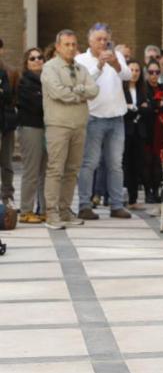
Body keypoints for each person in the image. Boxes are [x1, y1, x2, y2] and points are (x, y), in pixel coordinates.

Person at [41, 29, 99, 230]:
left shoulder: (82, 69)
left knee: (72, 170)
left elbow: (94, 90)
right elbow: (58, 93)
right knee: (55, 169)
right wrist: (80, 92)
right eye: (67, 44)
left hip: (79, 125)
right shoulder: (50, 68)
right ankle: (51, 213)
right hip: (58, 125)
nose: (71, 48)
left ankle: (65, 210)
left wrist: (79, 91)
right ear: (58, 47)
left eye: (74, 44)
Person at [75, 22, 133, 220]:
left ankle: (116, 205)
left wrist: (116, 63)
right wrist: (100, 65)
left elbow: (127, 75)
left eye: (105, 39)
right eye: (98, 39)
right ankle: (84, 204)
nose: (102, 42)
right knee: (89, 163)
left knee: (116, 164)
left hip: (116, 117)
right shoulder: (81, 59)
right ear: (89, 40)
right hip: (93, 118)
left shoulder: (116, 55)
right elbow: (84, 83)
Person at [17, 48, 48, 223]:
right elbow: (38, 105)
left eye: (40, 57)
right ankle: (26, 211)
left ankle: (44, 209)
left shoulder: (47, 80)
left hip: (46, 128)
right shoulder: (25, 83)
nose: (37, 60)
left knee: (45, 171)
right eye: (32, 58)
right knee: (31, 171)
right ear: (26, 63)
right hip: (30, 128)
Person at [122, 60, 149, 209]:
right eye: (131, 69)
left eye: (137, 70)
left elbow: (147, 110)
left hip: (139, 134)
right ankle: (120, 198)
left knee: (136, 165)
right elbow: (123, 111)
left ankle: (133, 200)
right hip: (126, 132)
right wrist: (137, 109)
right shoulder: (121, 89)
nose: (134, 73)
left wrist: (133, 108)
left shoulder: (142, 90)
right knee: (124, 165)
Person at [142, 60, 163, 203]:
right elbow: (146, 108)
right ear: (147, 73)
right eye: (151, 72)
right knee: (147, 161)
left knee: (158, 162)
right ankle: (148, 192)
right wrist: (157, 106)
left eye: (157, 72)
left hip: (160, 130)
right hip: (146, 129)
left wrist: (155, 106)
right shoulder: (143, 87)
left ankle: (156, 190)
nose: (154, 75)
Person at [0, 40, 17, 207]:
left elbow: (11, 96)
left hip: (5, 123)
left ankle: (7, 195)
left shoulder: (10, 72)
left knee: (6, 161)